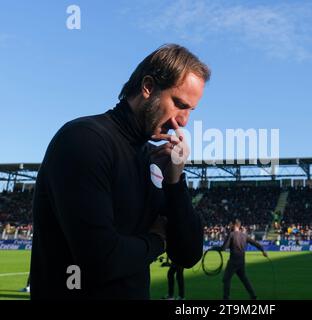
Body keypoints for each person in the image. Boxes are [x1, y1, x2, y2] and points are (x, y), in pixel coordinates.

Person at [30, 44, 210, 299]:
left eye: (190, 110)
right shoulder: (84, 140)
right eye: (179, 104)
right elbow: (100, 260)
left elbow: (188, 254)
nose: (183, 121)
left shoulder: (152, 158)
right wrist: (157, 240)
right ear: (148, 87)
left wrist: (174, 180)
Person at [217, 219, 268, 300]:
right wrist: (263, 250)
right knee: (244, 279)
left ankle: (226, 298)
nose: (229, 226)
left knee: (226, 279)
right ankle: (253, 295)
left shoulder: (231, 234)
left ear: (234, 225)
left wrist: (215, 248)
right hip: (241, 262)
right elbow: (255, 243)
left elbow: (223, 248)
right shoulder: (244, 235)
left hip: (233, 262)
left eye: (230, 224)